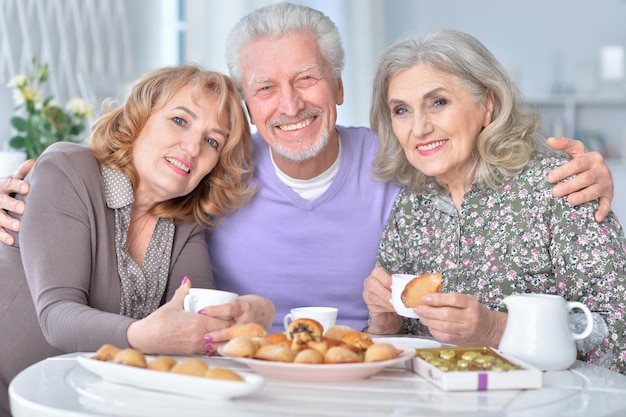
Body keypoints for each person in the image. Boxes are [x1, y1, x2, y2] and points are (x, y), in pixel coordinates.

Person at [0, 3, 615, 335]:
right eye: (265, 87)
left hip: (374, 381)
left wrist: (587, 172)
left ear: (340, 86)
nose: (289, 105)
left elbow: (477, 163)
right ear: (247, 105)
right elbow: (124, 169)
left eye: (306, 79)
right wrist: (20, 194)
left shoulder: (404, 161)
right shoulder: (217, 175)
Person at [0, 65, 275, 416]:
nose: (192, 147)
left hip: (82, 403)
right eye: (179, 120)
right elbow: (57, 316)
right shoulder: (66, 171)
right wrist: (143, 335)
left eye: (211, 141)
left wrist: (258, 311)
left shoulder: (185, 223)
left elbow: (199, 325)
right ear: (140, 117)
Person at [362, 29, 626, 373]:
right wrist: (384, 324)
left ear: (487, 105)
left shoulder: (560, 185)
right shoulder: (411, 206)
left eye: (438, 102)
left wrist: (496, 329)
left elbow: (616, 337)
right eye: (401, 110)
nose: (419, 128)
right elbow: (401, 343)